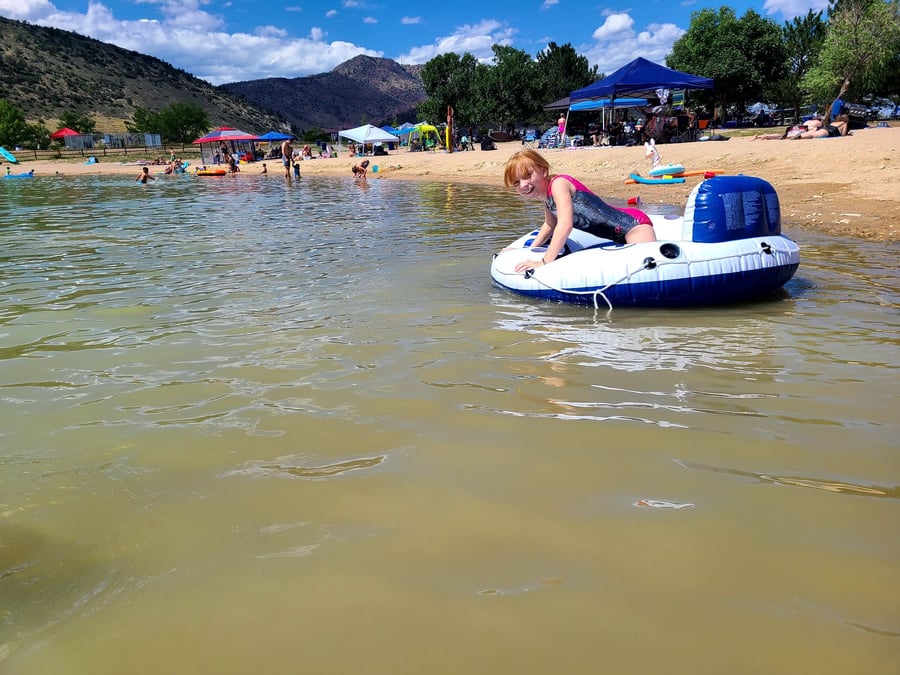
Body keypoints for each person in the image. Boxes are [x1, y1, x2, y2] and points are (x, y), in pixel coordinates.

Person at [503, 149, 656, 273]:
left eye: (527, 176)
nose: (523, 185)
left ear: (543, 171)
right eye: (516, 182)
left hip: (632, 226)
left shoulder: (558, 185)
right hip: (616, 236)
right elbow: (550, 225)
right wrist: (529, 250)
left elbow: (565, 225)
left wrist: (544, 262)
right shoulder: (546, 198)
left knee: (647, 271)